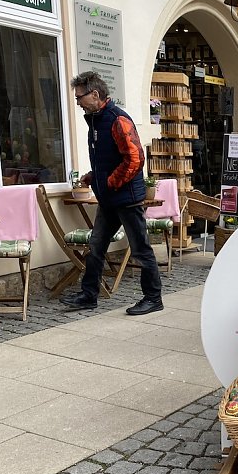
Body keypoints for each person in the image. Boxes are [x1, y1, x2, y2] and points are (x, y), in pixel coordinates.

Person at [61, 71, 162, 315]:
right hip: (110, 197)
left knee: (140, 249)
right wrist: (93, 176)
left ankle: (153, 298)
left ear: (95, 94)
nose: (77, 102)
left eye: (79, 97)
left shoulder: (118, 119)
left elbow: (135, 158)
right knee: (96, 246)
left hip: (126, 197)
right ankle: (89, 295)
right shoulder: (96, 120)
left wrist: (110, 182)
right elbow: (108, 159)